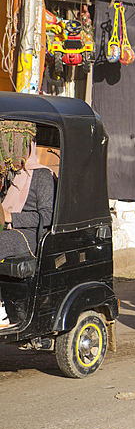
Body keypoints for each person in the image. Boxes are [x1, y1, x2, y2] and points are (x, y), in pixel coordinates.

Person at [0, 122, 55, 328]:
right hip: (8, 230)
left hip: (30, 236)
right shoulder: (10, 174)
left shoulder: (42, 175)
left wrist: (11, 218)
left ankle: (1, 312)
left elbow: (46, 217)